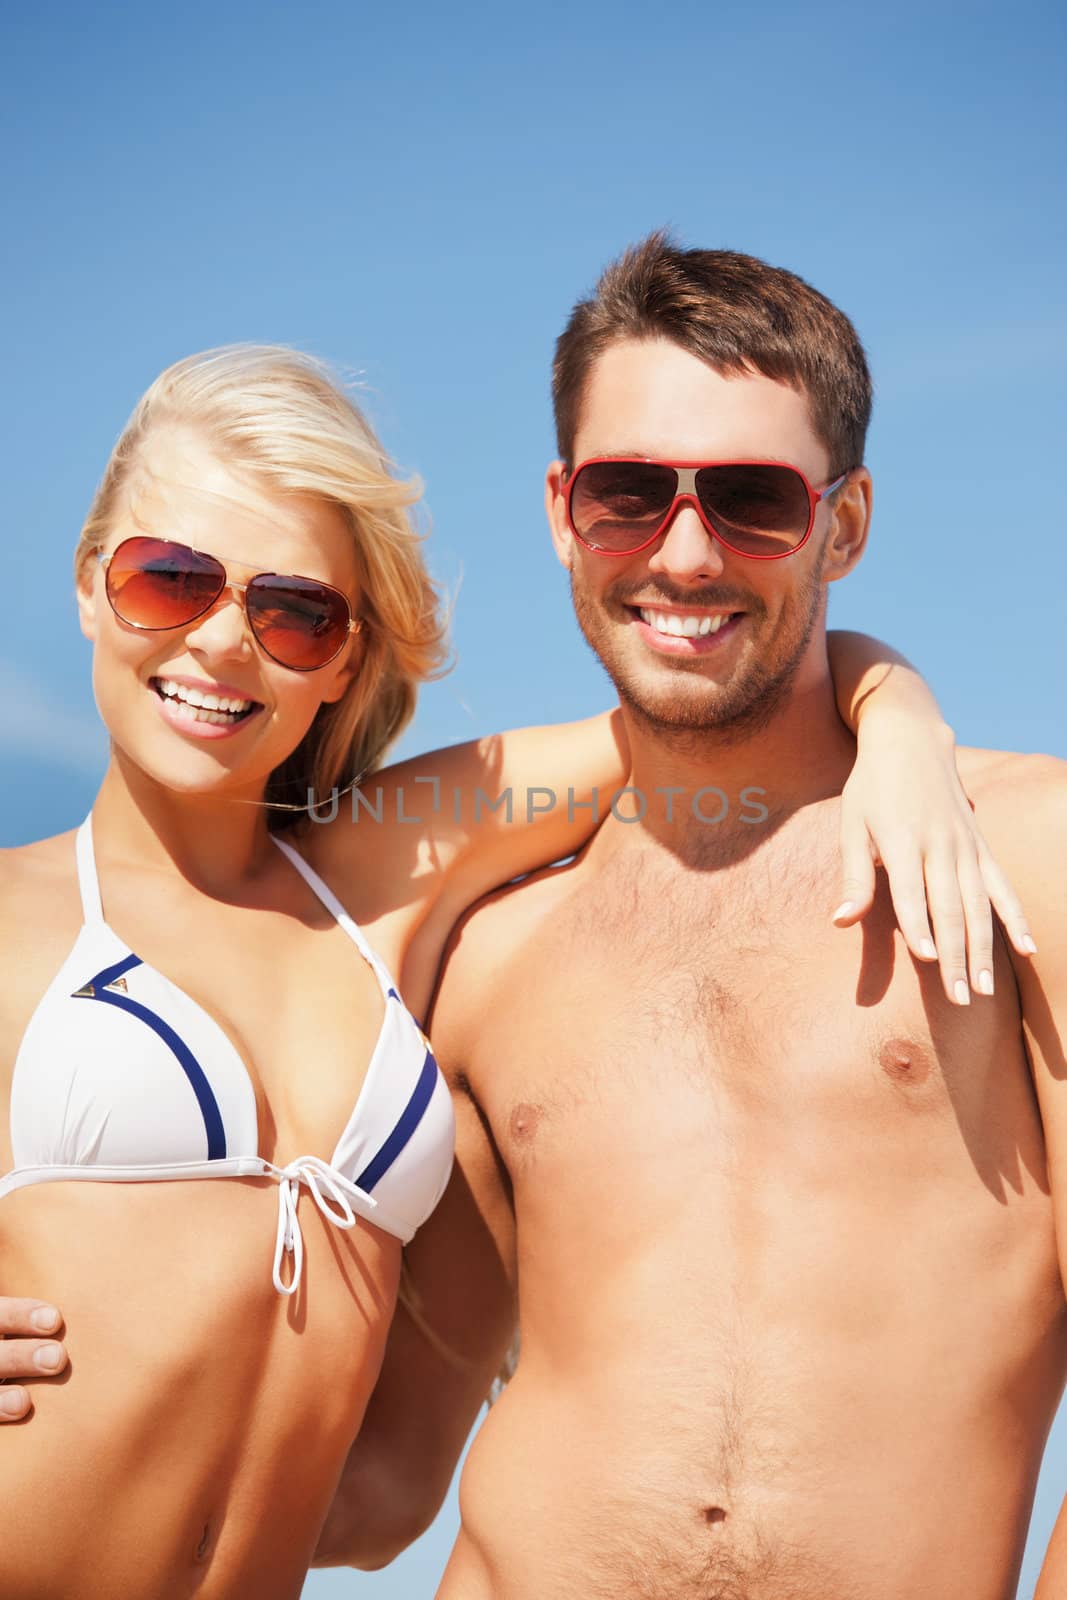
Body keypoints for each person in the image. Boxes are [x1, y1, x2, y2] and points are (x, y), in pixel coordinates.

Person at [0, 344, 1029, 1597]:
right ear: (88, 588)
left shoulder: (393, 868)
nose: (223, 643)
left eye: (294, 611)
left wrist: (899, 719)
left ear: (343, 657)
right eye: (166, 580)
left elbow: (697, 685)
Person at [311, 237, 1066, 1599]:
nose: (682, 550)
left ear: (840, 524)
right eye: (625, 495)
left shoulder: (1020, 864)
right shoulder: (489, 948)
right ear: (560, 509)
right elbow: (378, 1488)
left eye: (750, 501)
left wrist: (892, 710)